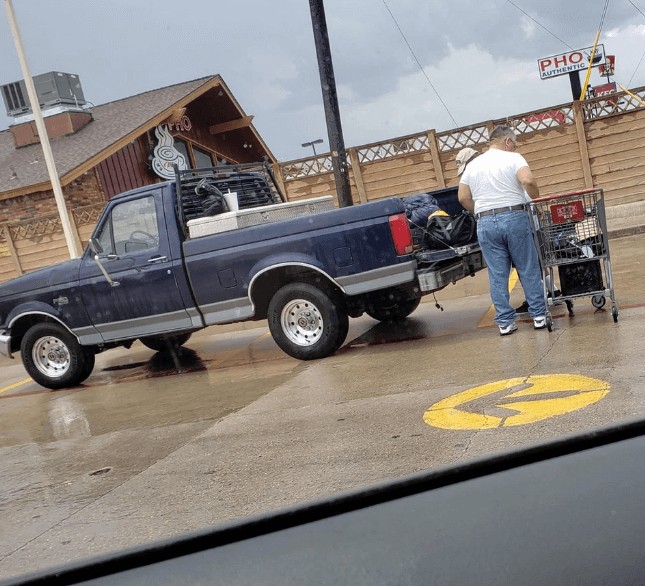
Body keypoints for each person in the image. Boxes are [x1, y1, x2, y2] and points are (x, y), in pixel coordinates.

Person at [457, 125, 547, 335]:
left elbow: (462, 197)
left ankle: (505, 323)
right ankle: (539, 316)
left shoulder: (473, 165)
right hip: (514, 217)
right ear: (507, 141)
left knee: (498, 274)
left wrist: (480, 211)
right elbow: (528, 180)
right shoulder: (513, 158)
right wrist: (536, 198)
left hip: (485, 223)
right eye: (514, 143)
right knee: (527, 267)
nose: (514, 147)